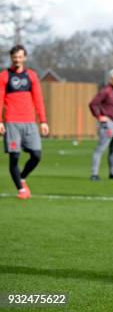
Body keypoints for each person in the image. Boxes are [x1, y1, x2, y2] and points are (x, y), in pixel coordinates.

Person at [0, 45, 49, 199]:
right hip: (12, 122)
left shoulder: (32, 76)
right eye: (15, 57)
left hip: (29, 122)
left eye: (20, 57)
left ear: (25, 58)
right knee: (14, 157)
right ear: (11, 58)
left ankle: (22, 177)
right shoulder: (4, 76)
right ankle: (21, 189)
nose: (17, 60)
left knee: (36, 155)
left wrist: (43, 121)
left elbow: (38, 99)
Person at [89, 69, 113, 181]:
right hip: (109, 125)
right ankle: (94, 174)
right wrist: (99, 117)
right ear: (111, 79)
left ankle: (112, 173)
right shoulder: (106, 91)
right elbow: (93, 104)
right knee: (100, 149)